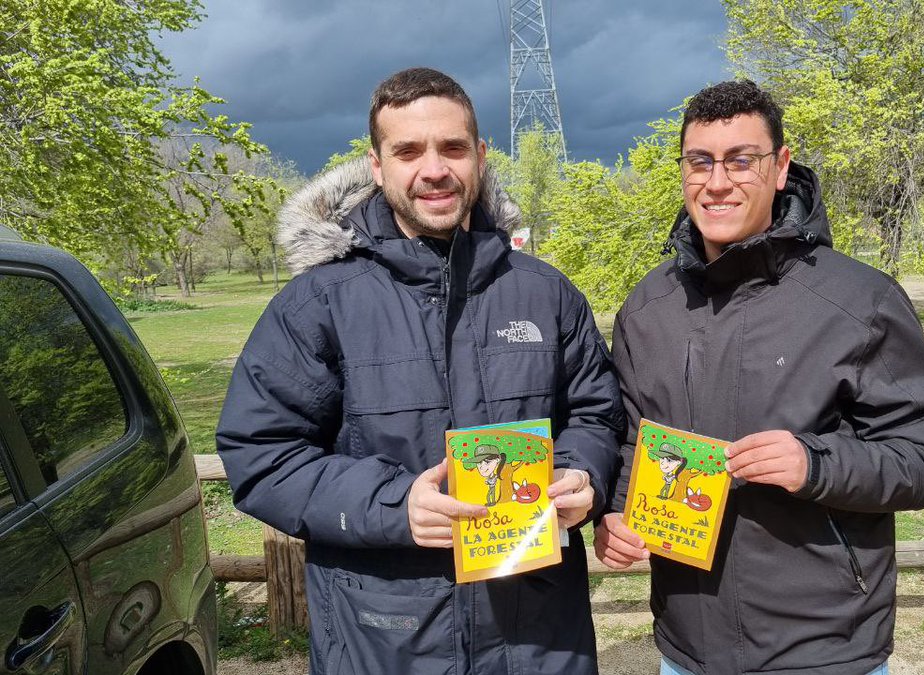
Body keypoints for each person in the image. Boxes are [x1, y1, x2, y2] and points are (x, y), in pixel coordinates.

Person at [216, 67, 622, 675]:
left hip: (537, 634)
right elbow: (261, 454)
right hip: (383, 638)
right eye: (408, 150)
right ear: (377, 167)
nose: (434, 169)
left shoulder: (546, 294)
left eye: (453, 148)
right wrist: (393, 504)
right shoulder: (318, 303)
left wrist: (580, 475)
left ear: (480, 157)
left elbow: (597, 414)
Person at [594, 80, 924, 675]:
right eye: (700, 162)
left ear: (780, 165)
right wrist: (616, 514)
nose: (717, 182)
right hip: (687, 650)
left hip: (826, 650)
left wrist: (815, 464)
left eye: (742, 160)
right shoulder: (647, 308)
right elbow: (632, 438)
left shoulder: (858, 300)